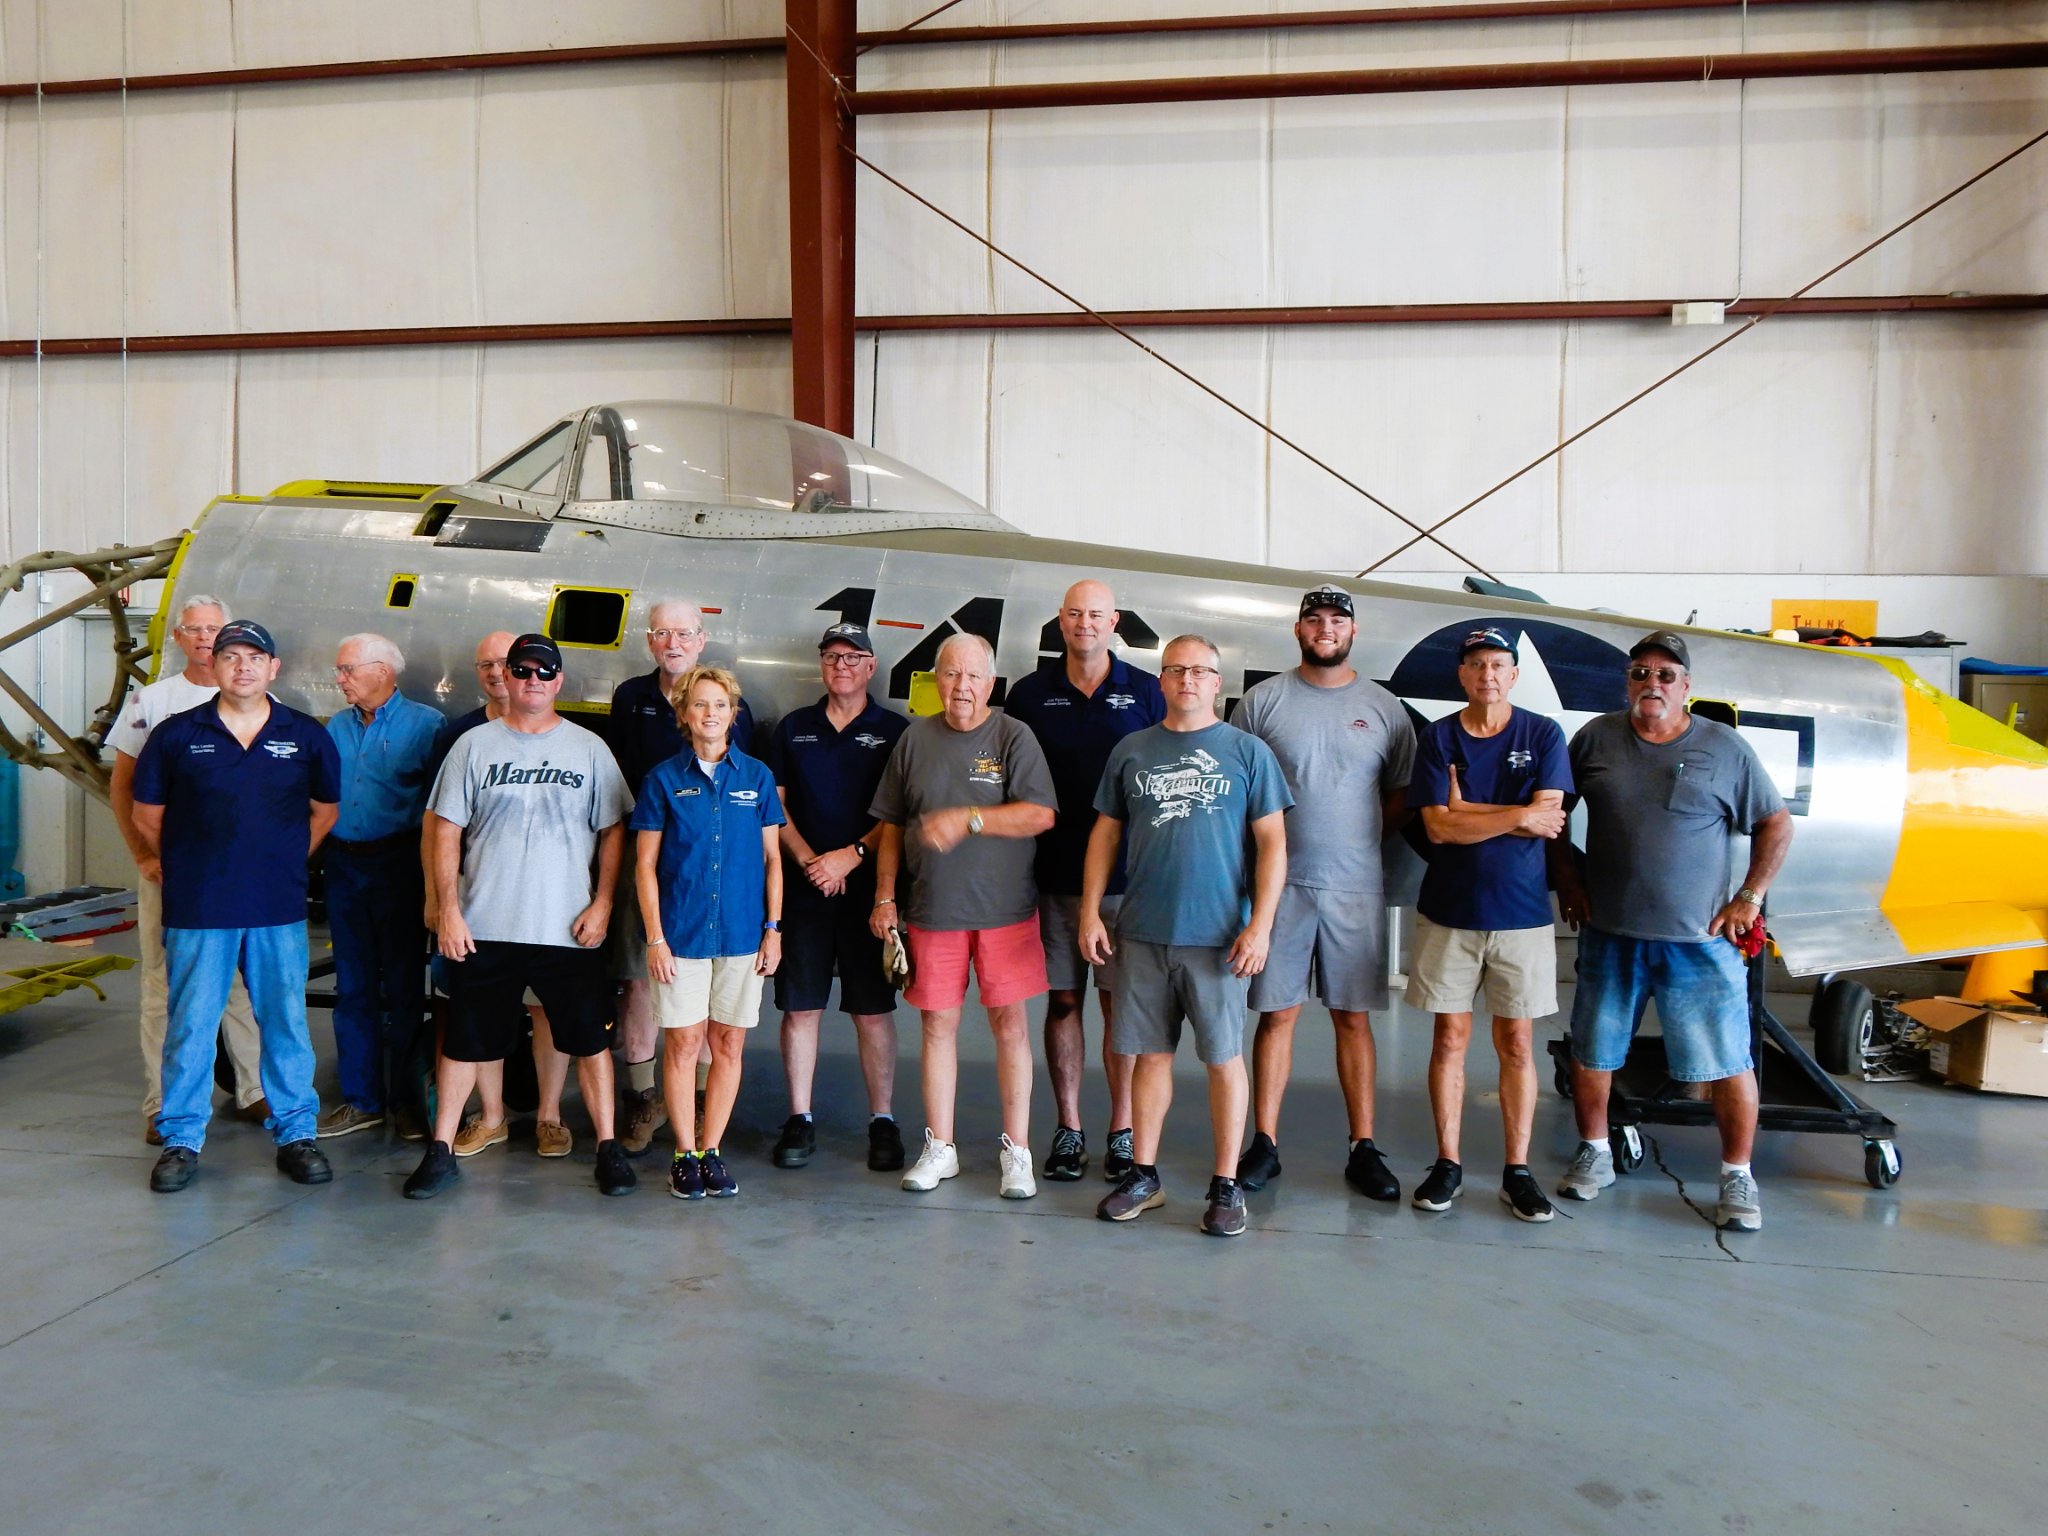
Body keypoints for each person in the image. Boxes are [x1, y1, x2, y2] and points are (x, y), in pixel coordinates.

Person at [1550, 631, 1792, 1232]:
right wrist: (1569, 882)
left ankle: (1737, 1175)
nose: (1651, 684)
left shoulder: (1724, 748)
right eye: (1640, 673)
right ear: (1627, 682)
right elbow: (1554, 813)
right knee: (1592, 1052)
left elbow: (1776, 823)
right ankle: (1595, 1152)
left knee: (1729, 1062)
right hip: (1610, 934)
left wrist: (1749, 897)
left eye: (1664, 675)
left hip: (1700, 944)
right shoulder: (1595, 739)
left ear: (1686, 687)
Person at [405, 634, 637, 1200]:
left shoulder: (589, 749)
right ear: (506, 677)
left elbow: (614, 832)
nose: (533, 680)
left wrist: (603, 903)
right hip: (486, 925)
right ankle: (440, 1150)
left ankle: (608, 1148)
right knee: (465, 1041)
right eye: (523, 670)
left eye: (544, 671)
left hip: (567, 928)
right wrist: (448, 909)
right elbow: (445, 831)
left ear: (559, 682)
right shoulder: (472, 746)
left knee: (588, 1042)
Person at [1082, 635, 1289, 1237]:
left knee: (1224, 1059)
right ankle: (1143, 1177)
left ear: (1217, 682)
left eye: (1200, 671)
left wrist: (1260, 925)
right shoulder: (1132, 750)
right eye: (1176, 670)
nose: (1188, 680)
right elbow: (1104, 835)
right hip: (1144, 932)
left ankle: (1226, 1186)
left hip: (1219, 939)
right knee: (1149, 1056)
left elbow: (1273, 844)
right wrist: (1091, 912)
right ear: (1163, 680)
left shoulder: (1247, 752)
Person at [130, 620, 341, 1193]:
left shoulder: (304, 735)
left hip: (277, 906)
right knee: (192, 1024)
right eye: (230, 656)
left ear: (274, 668)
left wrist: (283, 860)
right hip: (200, 907)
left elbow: (325, 810)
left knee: (284, 1022)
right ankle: (181, 1140)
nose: (243, 667)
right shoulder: (177, 734)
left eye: (254, 657)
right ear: (214, 665)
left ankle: (297, 1134)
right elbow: (146, 814)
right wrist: (190, 860)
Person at [1235, 586, 1416, 1201]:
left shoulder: (1384, 708)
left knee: (1352, 1017)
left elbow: (1398, 793)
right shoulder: (1264, 701)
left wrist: (1358, 841)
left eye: (1338, 620)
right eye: (1313, 619)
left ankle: (1363, 1147)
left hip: (1354, 886)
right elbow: (1238, 785)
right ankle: (1264, 1143)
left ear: (1353, 631)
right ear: (1298, 630)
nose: (1325, 628)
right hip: (1279, 887)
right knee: (1278, 1013)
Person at [868, 632, 1056, 1199]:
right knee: (937, 1026)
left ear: (991, 683)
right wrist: (884, 896)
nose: (962, 686)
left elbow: (1040, 815)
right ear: (936, 680)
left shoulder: (1013, 735)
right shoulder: (914, 739)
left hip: (1005, 912)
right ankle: (940, 1148)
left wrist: (969, 818)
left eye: (973, 676)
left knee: (1010, 1026)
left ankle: (1017, 1152)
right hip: (933, 910)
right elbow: (891, 826)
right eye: (951, 674)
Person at [1405, 628, 1572, 1223]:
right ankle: (1447, 1163)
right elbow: (1438, 828)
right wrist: (1517, 814)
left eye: (1499, 664)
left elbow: (1549, 817)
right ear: (1462, 674)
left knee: (1516, 1043)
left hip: (1522, 915)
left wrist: (1468, 809)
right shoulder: (1439, 736)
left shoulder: (1542, 734)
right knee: (1449, 1039)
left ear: (1514, 674)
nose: (1488, 675)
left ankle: (1517, 1170)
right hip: (1449, 912)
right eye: (1477, 664)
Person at [1004, 579, 1164, 1183]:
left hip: (1128, 882)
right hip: (1052, 876)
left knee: (1119, 1006)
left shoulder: (1146, 692)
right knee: (1064, 1001)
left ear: (1114, 621)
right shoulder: (1029, 694)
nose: (1085, 624)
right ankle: (1068, 1128)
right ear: (1061, 620)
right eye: (1075, 614)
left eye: (1096, 614)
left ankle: (1122, 1130)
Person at [108, 594, 265, 1144]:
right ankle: (163, 1102)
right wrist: (144, 855)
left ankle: (253, 1089)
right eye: (193, 630)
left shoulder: (260, 700)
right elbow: (123, 786)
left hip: (237, 873)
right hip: (171, 871)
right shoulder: (153, 702)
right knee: (163, 983)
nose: (204, 638)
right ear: (177, 638)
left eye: (214, 629)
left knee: (240, 981)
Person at [605, 601, 756, 1155]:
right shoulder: (631, 697)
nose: (673, 642)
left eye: (684, 633)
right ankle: (643, 1095)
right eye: (663, 632)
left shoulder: (733, 710)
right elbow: (618, 777)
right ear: (650, 641)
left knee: (712, 994)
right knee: (640, 975)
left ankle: (697, 1101)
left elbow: (742, 794)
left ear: (701, 638)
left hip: (708, 870)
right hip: (647, 856)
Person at [631, 666, 784, 1200]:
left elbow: (773, 861)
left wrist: (773, 929)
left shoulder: (757, 778)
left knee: (729, 1043)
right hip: (682, 936)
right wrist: (655, 938)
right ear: (684, 714)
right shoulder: (662, 780)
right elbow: (644, 866)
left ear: (733, 714)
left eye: (720, 704)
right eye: (700, 704)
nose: (710, 713)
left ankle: (712, 1149)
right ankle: (683, 1153)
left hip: (742, 935)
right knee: (683, 1043)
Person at [761, 624, 909, 1173]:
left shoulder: (895, 731)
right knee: (801, 1007)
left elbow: (900, 812)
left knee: (872, 1010)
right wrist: (811, 863)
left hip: (870, 891)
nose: (841, 666)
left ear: (871, 667)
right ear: (821, 664)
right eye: (831, 656)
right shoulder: (794, 728)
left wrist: (852, 855)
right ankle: (799, 1117)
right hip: (804, 891)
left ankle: (882, 1119)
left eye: (853, 657)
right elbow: (775, 806)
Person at [422, 632, 573, 1158]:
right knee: (483, 1015)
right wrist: (439, 900)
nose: (507, 675)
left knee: (545, 1013)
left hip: (551, 912)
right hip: (481, 907)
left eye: (535, 670)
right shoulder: (462, 737)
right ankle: (491, 1117)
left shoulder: (577, 742)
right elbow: (438, 823)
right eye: (492, 665)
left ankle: (550, 1117)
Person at [316, 633, 441, 1143]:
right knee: (352, 986)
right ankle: (362, 1100)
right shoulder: (336, 727)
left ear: (383, 671)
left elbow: (439, 807)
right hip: (343, 866)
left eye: (348, 669)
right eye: (340, 670)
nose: (339, 679)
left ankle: (407, 1101)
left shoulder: (427, 726)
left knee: (404, 987)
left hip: (400, 864)